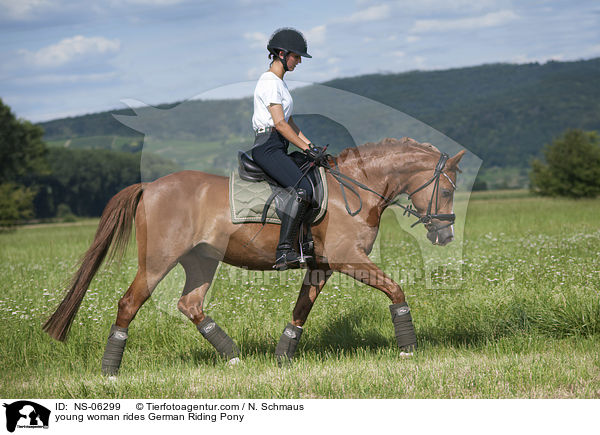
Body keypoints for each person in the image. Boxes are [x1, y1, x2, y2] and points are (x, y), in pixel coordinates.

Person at [251, 27, 326, 270]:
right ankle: (284, 251)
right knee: (302, 190)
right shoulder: (269, 82)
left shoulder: (280, 84)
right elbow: (280, 124)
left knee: (311, 177)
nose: (300, 61)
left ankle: (306, 243)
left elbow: (290, 122)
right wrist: (305, 147)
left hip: (279, 144)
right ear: (282, 54)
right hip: (268, 146)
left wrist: (311, 148)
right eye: (296, 56)